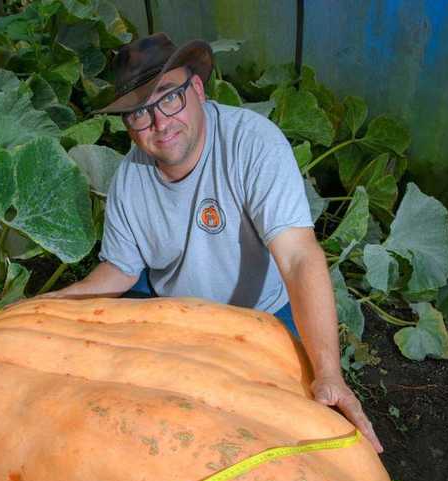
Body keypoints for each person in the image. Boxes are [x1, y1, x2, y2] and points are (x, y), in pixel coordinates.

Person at [38, 33, 382, 453]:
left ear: (197, 89)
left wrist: (329, 371)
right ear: (128, 125)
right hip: (175, 315)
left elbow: (296, 257)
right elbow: (121, 271)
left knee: (293, 430)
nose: (160, 123)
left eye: (169, 98)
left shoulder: (253, 143)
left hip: (264, 314)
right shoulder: (130, 179)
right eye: (140, 114)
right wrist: (51, 305)